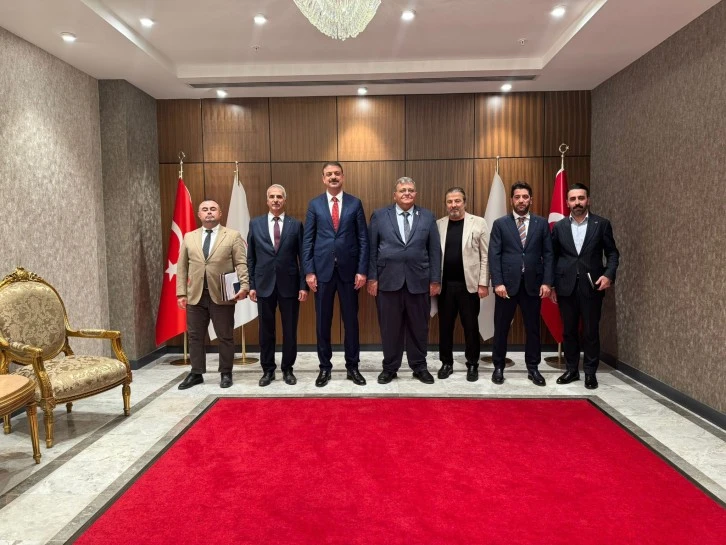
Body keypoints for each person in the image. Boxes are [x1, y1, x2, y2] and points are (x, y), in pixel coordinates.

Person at [367, 177, 441, 384]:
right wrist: (372, 277)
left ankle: (419, 367)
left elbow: (435, 250)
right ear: (395, 195)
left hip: (419, 281)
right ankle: (390, 368)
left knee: (419, 327)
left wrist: (435, 279)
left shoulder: (427, 216)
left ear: (415, 194)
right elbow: (372, 249)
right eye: (402, 190)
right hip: (387, 281)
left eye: (410, 190)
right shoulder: (380, 215)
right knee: (390, 328)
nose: (406, 193)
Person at [302, 162, 369, 387]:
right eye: (329, 174)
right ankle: (324, 368)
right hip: (322, 273)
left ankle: (353, 367)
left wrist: (362, 270)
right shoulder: (314, 204)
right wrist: (309, 271)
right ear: (323, 178)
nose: (333, 177)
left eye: (337, 174)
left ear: (343, 176)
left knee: (351, 322)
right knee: (323, 322)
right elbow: (308, 240)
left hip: (350, 273)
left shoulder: (355, 203)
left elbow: (363, 239)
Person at [551, 183, 620, 390]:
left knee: (590, 332)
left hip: (592, 287)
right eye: (573, 199)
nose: (577, 203)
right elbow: (552, 257)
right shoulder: (559, 227)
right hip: (566, 287)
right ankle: (572, 370)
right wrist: (552, 285)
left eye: (581, 198)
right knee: (569, 332)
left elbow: (612, 253)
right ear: (567, 203)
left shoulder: (602, 224)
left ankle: (590, 373)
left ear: (588, 200)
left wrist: (608, 275)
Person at [176, 199, 249, 389]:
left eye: (213, 209)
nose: (209, 212)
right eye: (205, 209)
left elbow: (241, 263)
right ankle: (196, 373)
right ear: (199, 214)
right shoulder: (189, 237)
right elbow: (182, 267)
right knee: (195, 336)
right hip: (195, 296)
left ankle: (226, 372)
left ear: (220, 213)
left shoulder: (232, 236)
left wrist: (244, 286)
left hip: (223, 294)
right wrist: (181, 293)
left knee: (225, 336)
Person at [488, 181, 553, 386]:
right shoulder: (500, 224)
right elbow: (494, 255)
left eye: (525, 197)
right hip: (506, 287)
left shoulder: (541, 223)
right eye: (517, 197)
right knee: (501, 328)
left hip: (533, 285)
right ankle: (498, 366)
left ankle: (533, 368)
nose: (521, 200)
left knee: (533, 329)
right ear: (511, 200)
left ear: (531, 200)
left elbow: (548, 255)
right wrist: (497, 282)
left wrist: (547, 282)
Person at [247, 185, 308, 387]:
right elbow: (251, 258)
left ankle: (288, 369)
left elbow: (303, 257)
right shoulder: (255, 224)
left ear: (285, 200)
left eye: (279, 197)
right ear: (267, 200)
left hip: (290, 285)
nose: (275, 200)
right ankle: (268, 370)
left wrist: (303, 286)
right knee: (266, 331)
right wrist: (252, 284)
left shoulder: (295, 225)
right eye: (272, 197)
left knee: (290, 330)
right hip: (263, 285)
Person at [435, 187, 490, 382]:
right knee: (445, 327)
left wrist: (483, 283)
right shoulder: (439, 224)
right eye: (450, 202)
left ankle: (473, 364)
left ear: (464, 202)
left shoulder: (479, 223)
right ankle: (446, 363)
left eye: (457, 201)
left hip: (470, 286)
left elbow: (486, 255)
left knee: (471, 327)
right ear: (446, 204)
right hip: (445, 286)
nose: (453, 205)